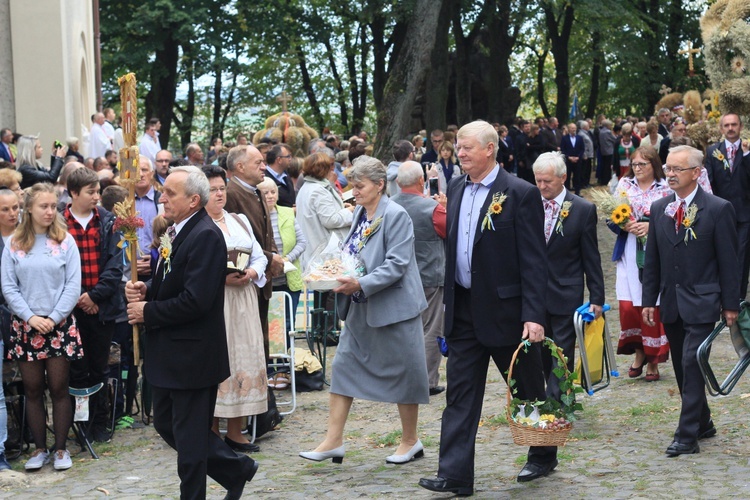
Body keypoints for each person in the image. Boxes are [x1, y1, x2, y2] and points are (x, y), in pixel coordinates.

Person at [419, 121, 555, 497]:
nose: (459, 153)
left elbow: (533, 261)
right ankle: (456, 474)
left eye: (466, 148)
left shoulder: (520, 193)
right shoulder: (458, 187)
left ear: (490, 149)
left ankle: (543, 452)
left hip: (507, 312)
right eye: (457, 147)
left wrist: (534, 315)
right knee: (460, 395)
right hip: (463, 310)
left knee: (527, 387)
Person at [125, 166, 259, 499]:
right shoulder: (176, 229)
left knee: (190, 440)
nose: (162, 197)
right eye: (163, 191)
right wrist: (147, 289)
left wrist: (148, 311)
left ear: (193, 200)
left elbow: (195, 300)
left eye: (170, 193)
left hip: (193, 355)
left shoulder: (206, 235)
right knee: (168, 425)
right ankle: (235, 468)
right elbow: (174, 278)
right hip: (170, 351)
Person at [299, 156, 429, 465]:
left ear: (380, 185)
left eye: (359, 186)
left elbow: (397, 264)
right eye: (351, 186)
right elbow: (352, 252)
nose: (353, 192)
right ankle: (333, 441)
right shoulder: (360, 211)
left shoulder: (396, 214)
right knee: (343, 368)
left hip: (394, 308)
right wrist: (333, 271)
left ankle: (410, 441)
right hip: (359, 308)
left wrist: (359, 283)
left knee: (406, 374)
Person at [642, 145, 739, 456]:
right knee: (684, 369)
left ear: (696, 173)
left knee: (691, 360)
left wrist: (731, 304)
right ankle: (704, 421)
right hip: (671, 299)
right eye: (668, 168)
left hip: (703, 299)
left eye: (677, 170)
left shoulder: (718, 208)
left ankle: (686, 436)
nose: (669, 174)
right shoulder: (659, 209)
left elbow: (729, 261)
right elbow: (653, 259)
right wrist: (648, 300)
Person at [1, 183, 82, 471]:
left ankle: (61, 449)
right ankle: (39, 449)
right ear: (30, 209)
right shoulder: (14, 243)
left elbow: (73, 284)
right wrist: (29, 317)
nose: (50, 211)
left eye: (53, 206)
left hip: (58, 324)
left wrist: (55, 315)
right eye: (44, 206)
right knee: (33, 389)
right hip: (26, 326)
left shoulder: (65, 241)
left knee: (59, 388)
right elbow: (9, 287)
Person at [203, 166, 269, 454]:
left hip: (244, 298)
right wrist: (220, 276)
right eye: (212, 189)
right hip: (216, 301)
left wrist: (253, 272)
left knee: (246, 358)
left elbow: (259, 254)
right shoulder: (197, 226)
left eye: (221, 188)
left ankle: (236, 430)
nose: (219, 194)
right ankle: (212, 429)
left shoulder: (239, 220)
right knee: (220, 359)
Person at [533, 152, 605, 400]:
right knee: (541, 348)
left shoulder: (582, 209)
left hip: (566, 290)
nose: (542, 186)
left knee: (561, 349)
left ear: (563, 178)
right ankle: (560, 392)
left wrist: (597, 296)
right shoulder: (529, 204)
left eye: (547, 181)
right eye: (538, 181)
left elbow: (591, 257)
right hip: (535, 292)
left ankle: (556, 403)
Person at [63, 167, 124, 442]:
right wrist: (78, 298)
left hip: (101, 307)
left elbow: (114, 265)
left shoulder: (108, 221)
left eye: (98, 191)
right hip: (70, 309)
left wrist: (95, 296)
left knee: (100, 367)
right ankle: (81, 424)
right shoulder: (60, 223)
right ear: (73, 193)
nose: (96, 197)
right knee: (77, 369)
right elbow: (57, 267)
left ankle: (100, 423)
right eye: (90, 192)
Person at [611, 146, 672, 381]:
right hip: (628, 249)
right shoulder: (625, 185)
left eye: (642, 165)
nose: (637, 168)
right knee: (628, 306)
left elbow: (673, 218)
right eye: (634, 164)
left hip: (655, 250)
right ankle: (639, 352)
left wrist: (651, 226)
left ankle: (653, 359)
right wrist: (623, 224)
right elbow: (611, 215)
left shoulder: (665, 187)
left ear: (654, 165)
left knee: (651, 303)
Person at [392, 161, 447, 396]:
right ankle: (426, 381)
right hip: (429, 276)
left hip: (397, 278)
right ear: (422, 182)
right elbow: (450, 231)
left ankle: (401, 377)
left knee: (403, 329)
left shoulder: (388, 207)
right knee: (431, 329)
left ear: (396, 183)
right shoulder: (432, 208)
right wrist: (444, 206)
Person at [224, 145, 284, 360]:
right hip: (244, 280)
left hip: (261, 276)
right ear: (240, 167)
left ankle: (262, 385)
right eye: (258, 162)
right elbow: (235, 241)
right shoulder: (231, 194)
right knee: (247, 339)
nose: (264, 167)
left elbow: (266, 231)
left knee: (261, 336)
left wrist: (274, 255)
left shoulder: (257, 190)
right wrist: (269, 258)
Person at [705, 113, 750, 299]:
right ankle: (721, 295)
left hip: (745, 214)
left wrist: (747, 155)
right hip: (721, 213)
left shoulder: (748, 151)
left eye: (734, 124)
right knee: (721, 254)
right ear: (721, 128)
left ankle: (737, 298)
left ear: (740, 127)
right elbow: (708, 182)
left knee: (741, 256)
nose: (730, 128)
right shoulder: (713, 151)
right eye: (727, 125)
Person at [257, 178, 306, 330]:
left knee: (287, 323)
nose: (270, 196)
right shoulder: (254, 216)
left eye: (273, 192)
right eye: (266, 193)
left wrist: (286, 259)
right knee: (268, 324)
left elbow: (302, 242)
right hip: (264, 281)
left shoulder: (287, 213)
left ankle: (285, 354)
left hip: (288, 278)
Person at [0, 188, 20, 471]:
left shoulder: (27, 237)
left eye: (15, 207)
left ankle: (2, 451)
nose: (12, 213)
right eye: (5, 209)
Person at [560, 122, 585, 195]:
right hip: (568, 161)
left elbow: (582, 149)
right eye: (572, 128)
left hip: (577, 161)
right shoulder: (564, 138)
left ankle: (577, 193)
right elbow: (563, 149)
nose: (574, 129)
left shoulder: (579, 138)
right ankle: (567, 193)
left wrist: (578, 157)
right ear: (568, 129)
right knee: (567, 177)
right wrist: (569, 157)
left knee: (577, 177)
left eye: (575, 128)